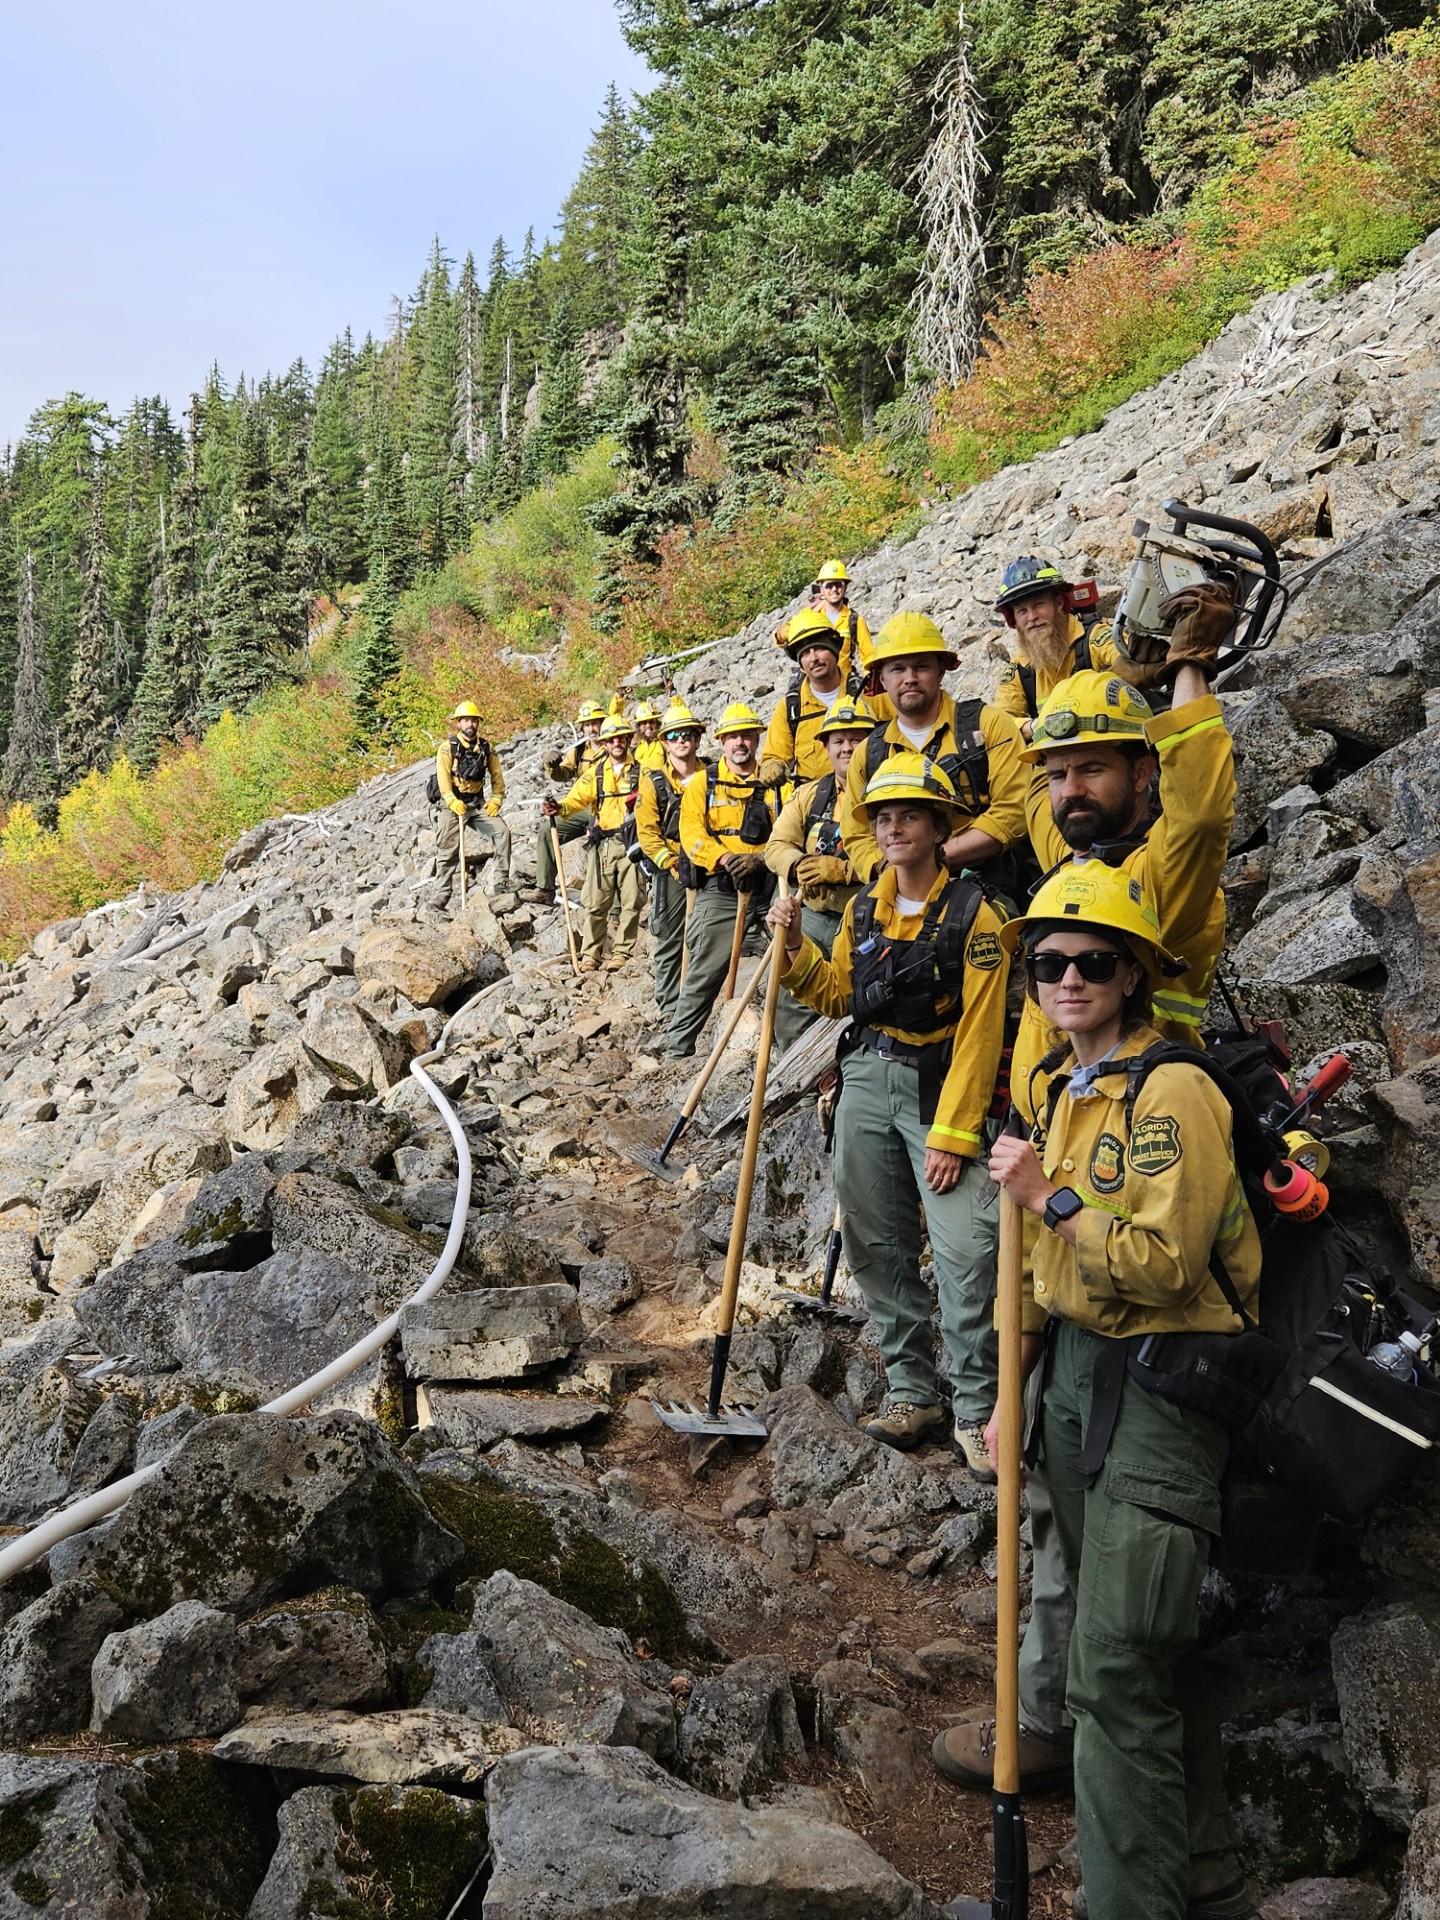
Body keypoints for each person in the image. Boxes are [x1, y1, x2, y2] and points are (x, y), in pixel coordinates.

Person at [937, 613, 1237, 1804]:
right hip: (1050, 1177)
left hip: (1132, 1187)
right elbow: (1012, 1025)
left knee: (1115, 1523)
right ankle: (1048, 1714)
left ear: (1140, 771)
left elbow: (1207, 809)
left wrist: (1189, 681)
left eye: (1094, 768)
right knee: (1049, 1497)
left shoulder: (1159, 864)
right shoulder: (1060, 891)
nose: (1071, 788)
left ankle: (1098, 1730)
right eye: (1056, 771)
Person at [972, 861, 1260, 1920]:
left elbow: (1166, 1268)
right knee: (1145, 1644)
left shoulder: (1173, 1091)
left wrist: (1046, 1198)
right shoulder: (1053, 1083)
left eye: (1096, 961)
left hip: (1165, 1387)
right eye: (1049, 962)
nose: (1069, 978)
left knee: (1119, 1665)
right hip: (1075, 1386)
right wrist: (1014, 1388)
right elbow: (1039, 1279)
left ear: (1136, 974)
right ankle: (1198, 1863)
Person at [768, 753, 1007, 1474]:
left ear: (939, 827)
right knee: (876, 1242)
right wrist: (792, 951)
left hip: (942, 1086)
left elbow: (982, 1031)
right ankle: (913, 1389)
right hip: (867, 1077)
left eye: (909, 815)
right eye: (883, 817)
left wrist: (958, 1133)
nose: (895, 827)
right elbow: (840, 994)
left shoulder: (978, 914)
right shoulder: (864, 906)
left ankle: (976, 1405)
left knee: (968, 1252)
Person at [839, 611, 1028, 897]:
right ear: (881, 679)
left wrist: (935, 859)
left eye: (921, 667)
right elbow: (856, 834)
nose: (910, 678)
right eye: (897, 669)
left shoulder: (988, 726)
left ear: (941, 670)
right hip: (899, 892)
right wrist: (886, 870)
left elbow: (1015, 810)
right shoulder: (868, 754)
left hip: (987, 885)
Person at [665, 701, 790, 1060]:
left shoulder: (774, 783)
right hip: (722, 887)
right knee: (705, 967)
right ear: (721, 741)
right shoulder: (703, 783)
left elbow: (789, 829)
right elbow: (691, 831)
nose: (740, 743)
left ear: (756, 739)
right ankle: (679, 1047)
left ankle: (789, 1042)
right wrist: (724, 858)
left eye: (747, 736)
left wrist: (760, 858)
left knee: (792, 959)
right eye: (733, 736)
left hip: (768, 885)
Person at [763, 695, 874, 1051]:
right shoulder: (811, 795)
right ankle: (798, 1080)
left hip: (868, 919)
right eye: (838, 740)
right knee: (792, 995)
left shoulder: (889, 790)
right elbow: (776, 845)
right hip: (812, 916)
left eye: (856, 738)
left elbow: (899, 855)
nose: (847, 747)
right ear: (825, 746)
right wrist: (797, 865)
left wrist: (842, 870)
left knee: (862, 1000)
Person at [543, 714, 642, 973]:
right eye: (612, 739)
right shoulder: (595, 774)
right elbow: (573, 801)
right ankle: (591, 954)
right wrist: (558, 808)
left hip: (633, 843)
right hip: (604, 845)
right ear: (606, 743)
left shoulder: (644, 772)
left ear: (629, 740)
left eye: (622, 737)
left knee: (632, 901)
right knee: (596, 901)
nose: (617, 742)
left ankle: (622, 952)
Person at [992, 557, 1123, 735]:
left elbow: (1125, 657)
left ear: (1059, 604)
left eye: (1039, 605)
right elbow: (1001, 722)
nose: (1031, 617)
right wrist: (1033, 727)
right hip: (1053, 759)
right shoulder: (1019, 668)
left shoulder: (1094, 637)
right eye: (1022, 611)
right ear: (1013, 619)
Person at [635, 701, 706, 1020]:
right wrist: (670, 862)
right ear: (664, 741)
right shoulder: (654, 782)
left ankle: (701, 999)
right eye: (674, 735)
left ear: (698, 738)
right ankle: (668, 1004)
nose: (682, 740)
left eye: (688, 734)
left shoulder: (713, 775)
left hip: (711, 861)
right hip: (674, 865)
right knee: (669, 934)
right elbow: (647, 832)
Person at [759, 609, 864, 784]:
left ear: (835, 651)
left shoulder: (864, 695)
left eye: (821, 649)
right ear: (800, 664)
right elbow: (775, 755)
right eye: (806, 653)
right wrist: (773, 766)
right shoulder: (790, 708)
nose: (814, 658)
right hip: (815, 805)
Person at [526, 699, 607, 904]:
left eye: (595, 723)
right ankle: (545, 889)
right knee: (546, 831)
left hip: (608, 807)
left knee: (601, 844)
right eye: (587, 724)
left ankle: (604, 896)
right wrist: (552, 766)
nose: (591, 728)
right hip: (581, 806)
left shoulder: (614, 744)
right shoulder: (579, 751)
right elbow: (563, 775)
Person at [431, 700, 510, 904]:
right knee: (447, 850)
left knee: (502, 832)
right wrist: (450, 800)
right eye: (466, 720)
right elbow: (443, 780)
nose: (470, 724)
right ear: (458, 723)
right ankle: (440, 897)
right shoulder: (447, 749)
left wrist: (496, 799)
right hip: (453, 806)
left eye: (474, 720)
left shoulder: (486, 748)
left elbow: (497, 778)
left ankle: (501, 884)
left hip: (476, 804)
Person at [776, 559, 873, 677]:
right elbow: (781, 638)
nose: (834, 589)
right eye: (829, 586)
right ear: (821, 590)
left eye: (838, 585)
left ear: (845, 588)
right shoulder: (810, 616)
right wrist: (804, 617)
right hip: (816, 682)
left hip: (843, 683)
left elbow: (869, 657)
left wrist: (871, 682)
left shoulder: (854, 620)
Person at [632, 699, 667, 771]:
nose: (648, 725)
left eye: (651, 722)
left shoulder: (665, 743)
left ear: (657, 724)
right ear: (639, 727)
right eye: (644, 723)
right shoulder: (634, 747)